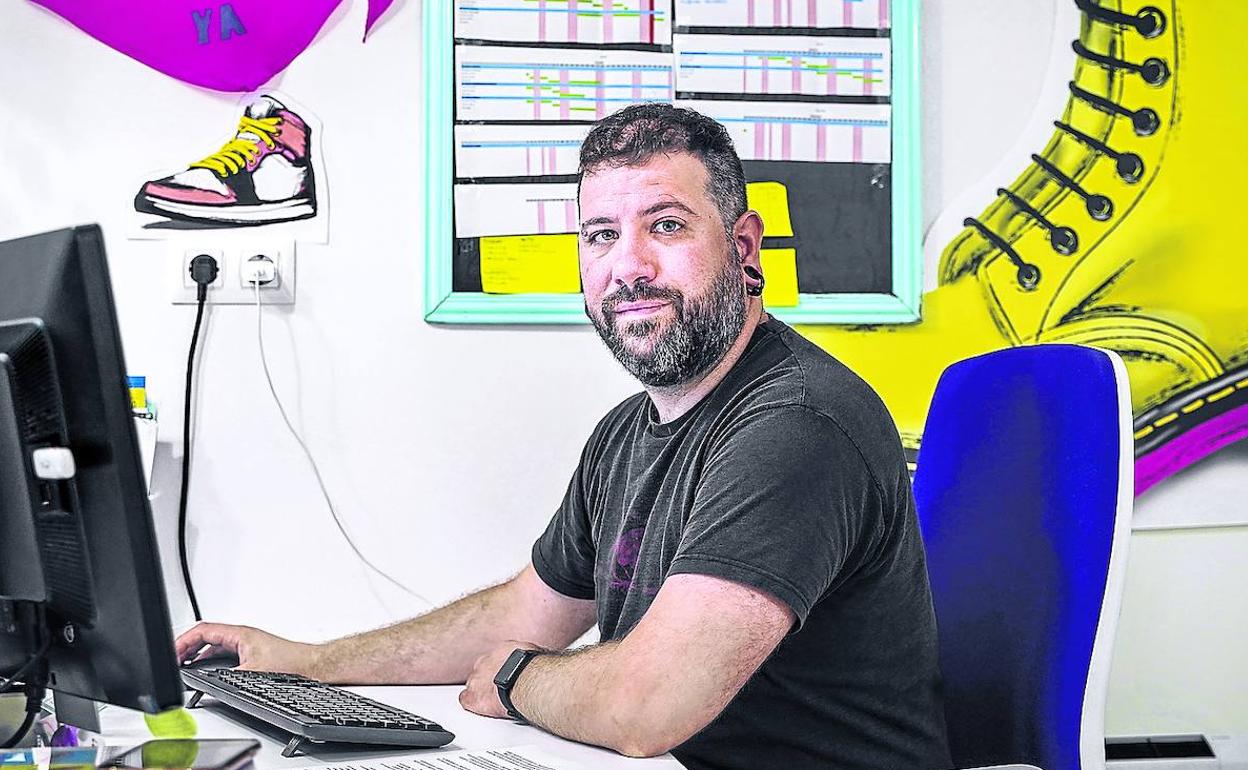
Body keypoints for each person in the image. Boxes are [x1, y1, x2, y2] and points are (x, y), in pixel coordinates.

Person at [176, 103, 952, 770]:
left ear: (744, 248)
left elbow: (646, 706)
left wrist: (517, 679)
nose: (628, 266)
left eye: (667, 226)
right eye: (600, 235)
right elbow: (523, 613)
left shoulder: (797, 425)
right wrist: (310, 663)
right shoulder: (626, 433)